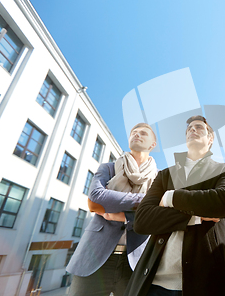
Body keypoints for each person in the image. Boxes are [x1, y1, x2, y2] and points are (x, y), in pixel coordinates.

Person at [125, 116, 225, 296]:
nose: (193, 130)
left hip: (202, 283)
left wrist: (171, 197)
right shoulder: (166, 174)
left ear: (210, 138)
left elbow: (222, 202)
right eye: (189, 128)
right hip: (152, 282)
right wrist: (195, 216)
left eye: (199, 127)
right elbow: (142, 220)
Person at [66, 123, 159, 296]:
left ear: (152, 145)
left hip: (136, 261)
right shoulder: (108, 168)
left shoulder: (160, 177)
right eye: (134, 132)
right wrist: (146, 201)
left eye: (143, 133)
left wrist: (125, 217)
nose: (137, 135)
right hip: (94, 256)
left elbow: (159, 215)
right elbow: (96, 198)